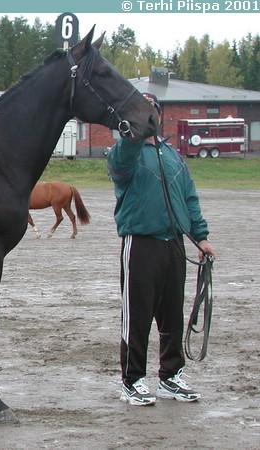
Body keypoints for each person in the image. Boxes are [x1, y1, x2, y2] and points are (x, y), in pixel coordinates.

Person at [107, 92, 217, 406]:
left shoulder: (173, 156)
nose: (147, 115)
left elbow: (189, 198)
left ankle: (171, 376)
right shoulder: (125, 152)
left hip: (174, 244)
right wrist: (132, 136)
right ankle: (132, 380)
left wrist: (201, 237)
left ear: (159, 115)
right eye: (141, 111)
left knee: (172, 316)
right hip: (141, 243)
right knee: (137, 316)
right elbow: (118, 167)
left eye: (151, 110)